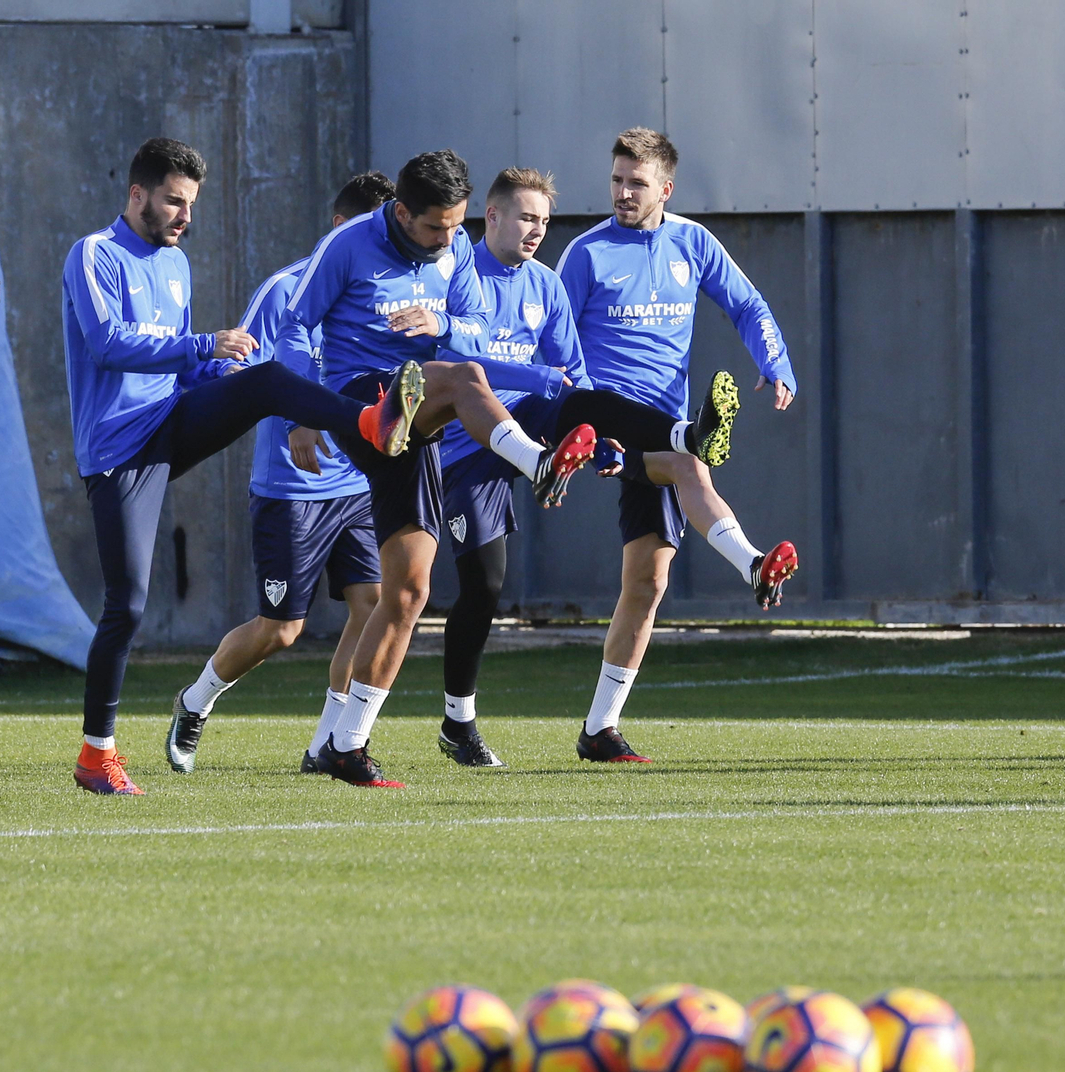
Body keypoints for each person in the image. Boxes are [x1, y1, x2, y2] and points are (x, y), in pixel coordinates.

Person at [281, 150, 744, 787]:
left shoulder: (480, 263)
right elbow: (293, 324)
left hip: (425, 421)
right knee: (467, 385)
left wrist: (443, 321)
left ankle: (343, 745)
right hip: (364, 404)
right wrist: (303, 412)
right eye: (437, 228)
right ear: (401, 213)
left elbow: (474, 328)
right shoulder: (349, 246)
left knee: (410, 591)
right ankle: (536, 462)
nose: (449, 240)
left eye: (456, 227)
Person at [64, 139, 423, 796]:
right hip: (120, 448)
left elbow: (183, 370)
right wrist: (206, 345)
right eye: (175, 201)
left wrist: (218, 369)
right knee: (129, 604)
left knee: (263, 380)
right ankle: (96, 756)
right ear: (137, 194)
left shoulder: (176, 263)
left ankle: (369, 423)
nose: (185, 216)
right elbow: (107, 344)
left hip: (171, 420)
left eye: (191, 204)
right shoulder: (95, 254)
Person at [554, 127, 800, 764]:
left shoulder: (693, 242)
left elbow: (747, 304)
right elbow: (553, 343)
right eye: (616, 180)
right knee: (693, 463)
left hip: (660, 425)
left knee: (649, 580)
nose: (622, 193)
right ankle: (751, 563)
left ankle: (599, 730)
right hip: (605, 423)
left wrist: (775, 362)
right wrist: (571, 420)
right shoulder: (585, 253)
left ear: (665, 189)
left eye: (636, 183)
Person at [165, 172, 397, 776]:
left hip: (358, 485)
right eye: (376, 232)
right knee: (282, 629)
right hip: (292, 490)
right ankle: (195, 701)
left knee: (374, 606)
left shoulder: (388, 288)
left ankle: (328, 745)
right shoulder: (285, 290)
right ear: (343, 229)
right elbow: (249, 371)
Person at [431, 167, 615, 768]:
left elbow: (573, 374)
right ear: (492, 216)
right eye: (527, 217)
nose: (537, 230)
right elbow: (455, 361)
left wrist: (601, 438)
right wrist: (538, 377)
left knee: (576, 404)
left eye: (544, 220)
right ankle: (458, 723)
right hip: (463, 447)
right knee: (484, 585)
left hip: (528, 423)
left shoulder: (546, 284)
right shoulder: (455, 270)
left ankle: (579, 456)